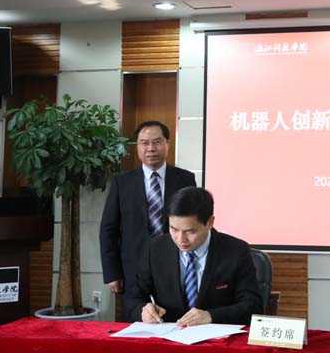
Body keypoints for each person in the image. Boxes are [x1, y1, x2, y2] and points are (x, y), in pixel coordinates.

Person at [100, 120, 196, 322]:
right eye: (144, 143)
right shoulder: (121, 182)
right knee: (136, 321)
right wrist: (112, 273)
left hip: (175, 264)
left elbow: (193, 223)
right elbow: (109, 229)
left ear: (167, 143)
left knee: (175, 321)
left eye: (157, 142)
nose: (150, 148)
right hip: (132, 269)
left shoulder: (185, 179)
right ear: (137, 146)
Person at [129, 186, 263, 326]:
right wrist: (143, 310)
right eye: (174, 229)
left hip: (215, 336)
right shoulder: (156, 249)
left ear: (210, 222)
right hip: (168, 334)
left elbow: (253, 306)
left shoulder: (236, 251)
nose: (180, 239)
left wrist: (211, 316)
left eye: (190, 231)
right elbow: (133, 297)